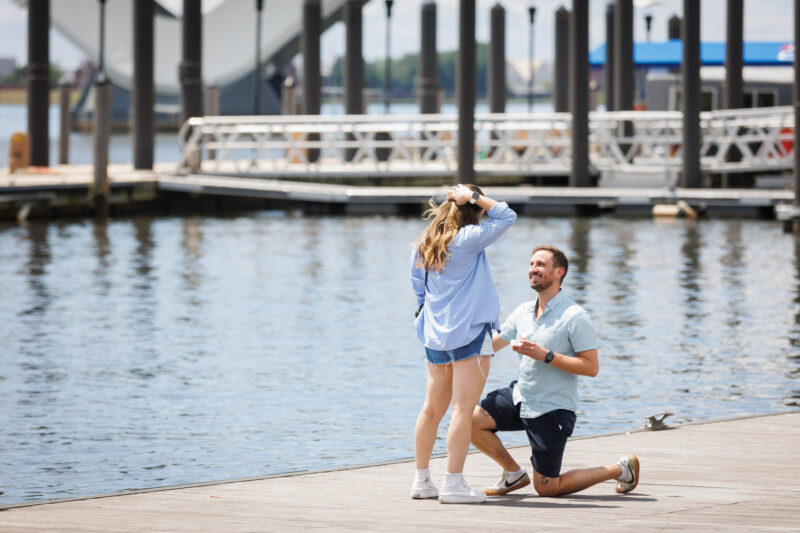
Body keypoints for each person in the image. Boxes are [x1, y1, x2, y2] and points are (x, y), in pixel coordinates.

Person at [471, 245, 640, 498]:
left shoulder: (575, 316)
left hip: (552, 408)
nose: (533, 269)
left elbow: (591, 367)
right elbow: (493, 344)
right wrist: (454, 350)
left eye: (540, 265)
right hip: (521, 396)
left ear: (559, 272)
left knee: (547, 487)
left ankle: (621, 469)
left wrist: (546, 356)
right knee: (468, 420)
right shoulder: (523, 311)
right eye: (531, 264)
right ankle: (513, 473)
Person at [410, 183, 516, 504]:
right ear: (476, 211)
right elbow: (507, 215)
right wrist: (473, 197)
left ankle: (422, 481)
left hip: (435, 335)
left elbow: (418, 289)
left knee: (431, 409)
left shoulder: (425, 242)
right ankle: (453, 484)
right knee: (462, 409)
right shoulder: (469, 238)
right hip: (469, 333)